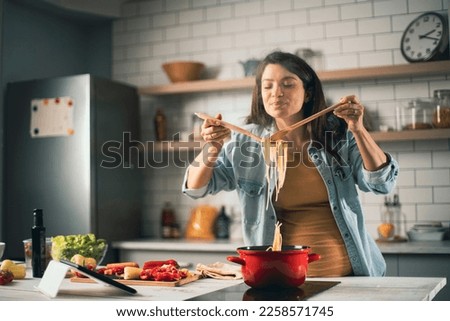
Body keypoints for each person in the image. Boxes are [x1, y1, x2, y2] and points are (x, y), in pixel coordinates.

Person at [182, 51, 399, 277]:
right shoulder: (246, 140)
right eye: (268, 86)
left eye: (288, 84)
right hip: (279, 279)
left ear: (307, 93)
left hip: (352, 276)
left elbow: (381, 183)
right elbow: (197, 188)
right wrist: (213, 146)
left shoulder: (337, 133)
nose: (276, 93)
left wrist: (358, 129)